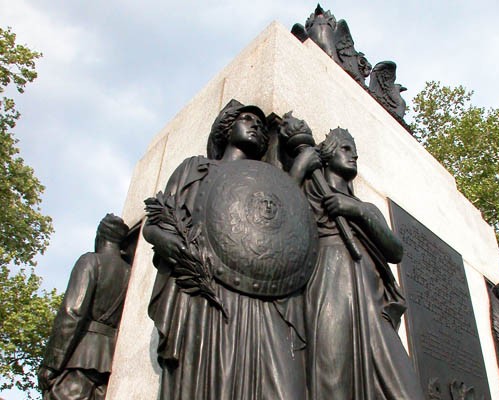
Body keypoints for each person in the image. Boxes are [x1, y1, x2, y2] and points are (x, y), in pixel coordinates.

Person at [144, 100, 318, 400]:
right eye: (247, 119)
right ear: (226, 127)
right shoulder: (195, 169)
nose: (256, 126)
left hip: (267, 299)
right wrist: (165, 241)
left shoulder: (270, 183)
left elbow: (285, 226)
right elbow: (155, 222)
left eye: (261, 126)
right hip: (209, 293)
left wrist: (298, 173)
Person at [303, 128, 426, 399]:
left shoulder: (367, 209)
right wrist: (302, 165)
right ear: (328, 152)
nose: (354, 154)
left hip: (373, 302)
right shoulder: (311, 194)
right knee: (331, 377)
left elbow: (395, 251)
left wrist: (356, 210)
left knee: (406, 391)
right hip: (330, 286)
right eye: (346, 148)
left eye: (354, 148)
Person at [38, 214, 131, 400]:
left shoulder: (90, 261)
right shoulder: (129, 272)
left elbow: (72, 313)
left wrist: (51, 363)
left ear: (99, 236)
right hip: (106, 361)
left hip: (79, 358)